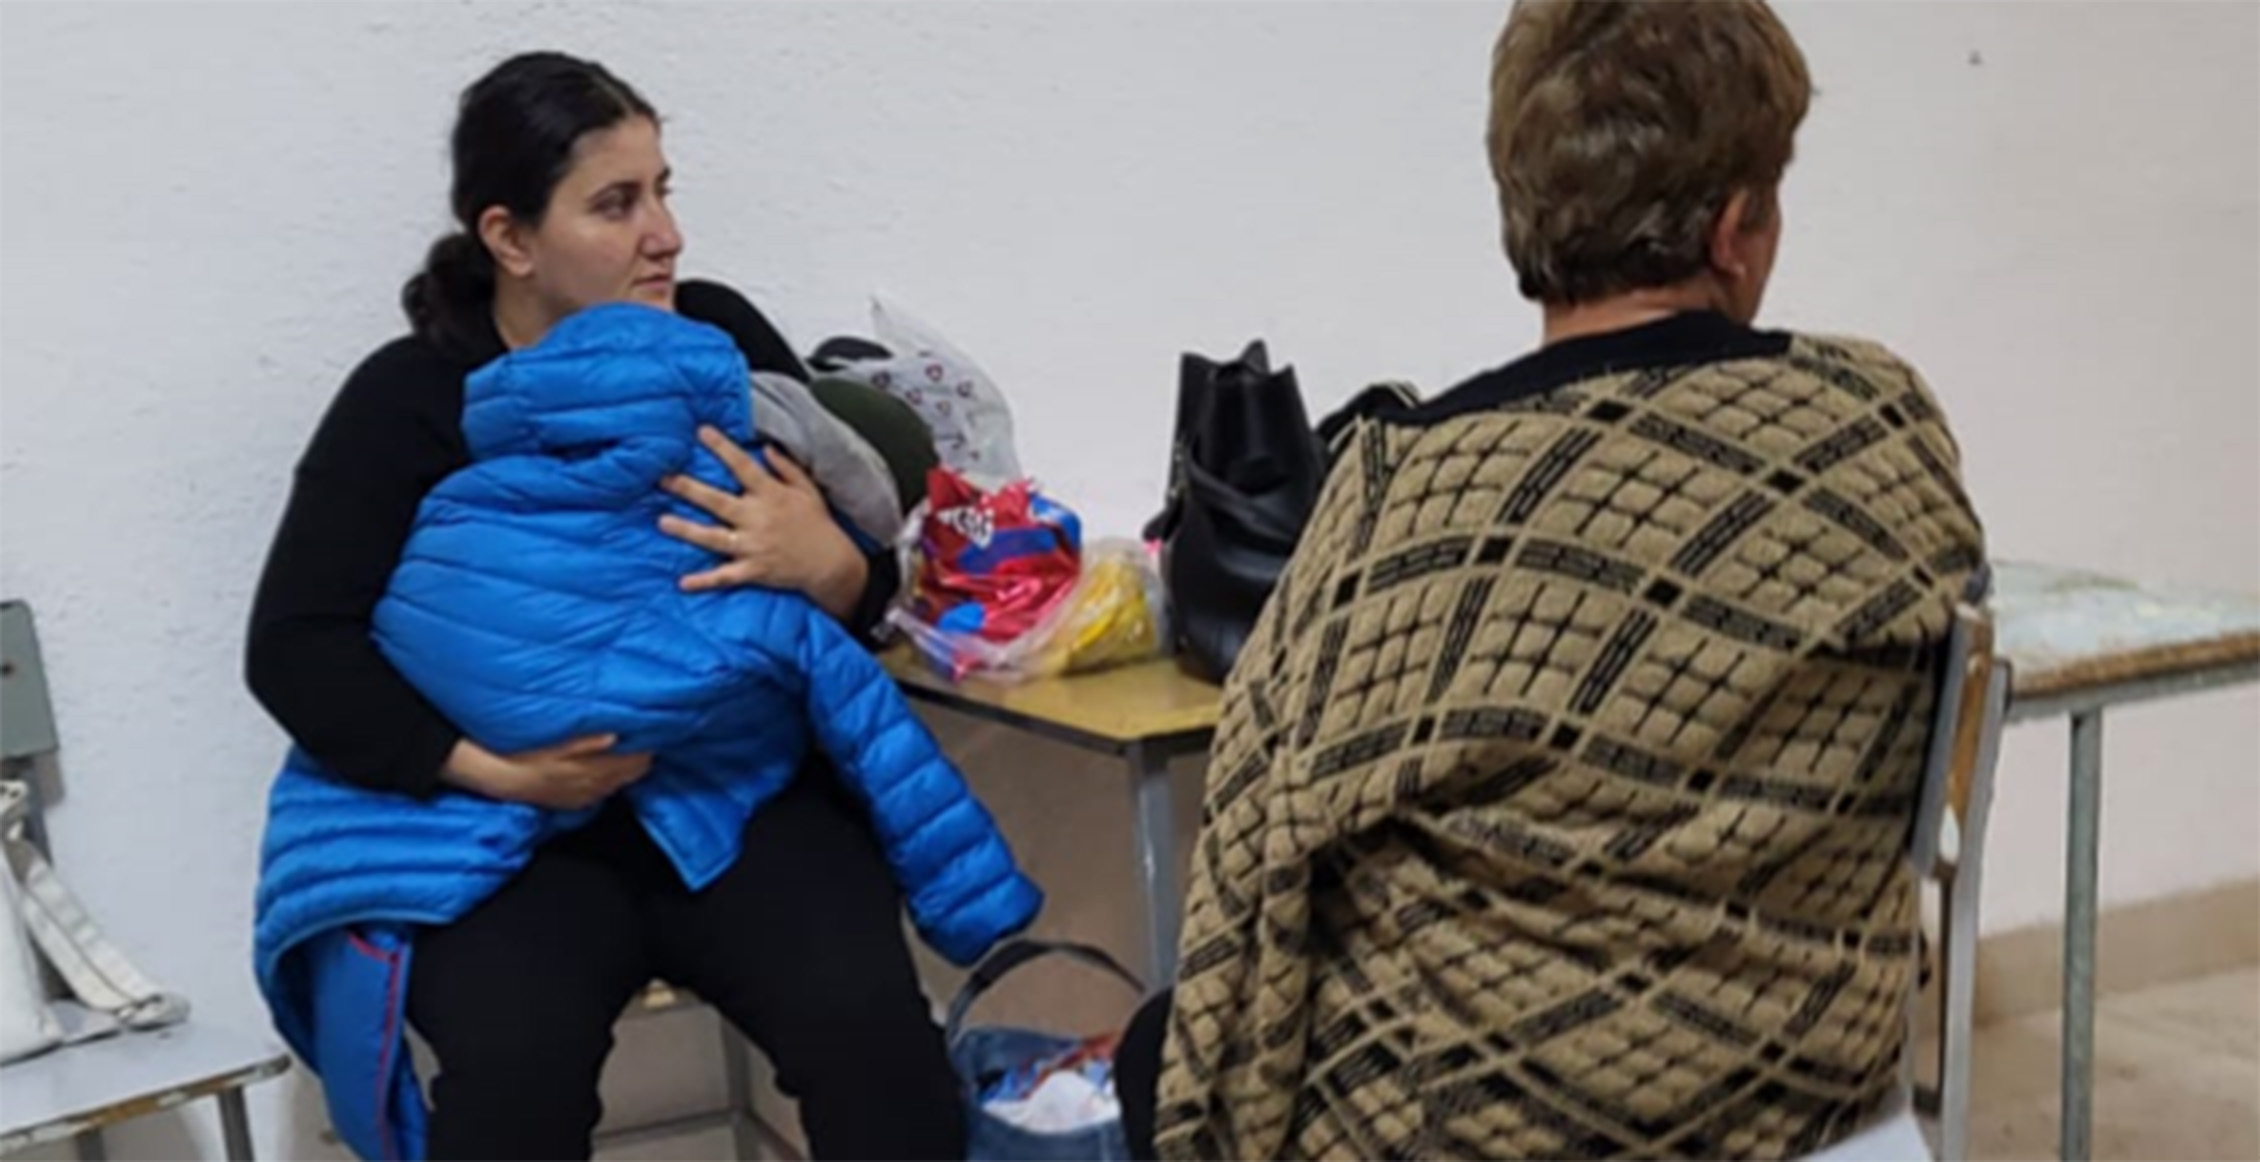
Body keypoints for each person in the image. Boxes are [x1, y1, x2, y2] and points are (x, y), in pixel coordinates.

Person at [1116, 2, 1987, 1159]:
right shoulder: (1878, 431)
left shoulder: (1402, 497)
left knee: (1156, 1045)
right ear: (1735, 227)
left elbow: (1255, 872)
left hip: (1469, 1128)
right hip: (1805, 1106)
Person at [245, 52, 1017, 1161]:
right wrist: (498, 771)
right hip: (512, 831)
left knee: (879, 1049)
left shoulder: (718, 341)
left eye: (663, 189)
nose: (667, 234)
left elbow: (864, 575)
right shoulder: (412, 395)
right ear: (510, 238)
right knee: (513, 1082)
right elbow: (295, 646)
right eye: (616, 203)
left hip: (737, 794)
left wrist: (836, 568)